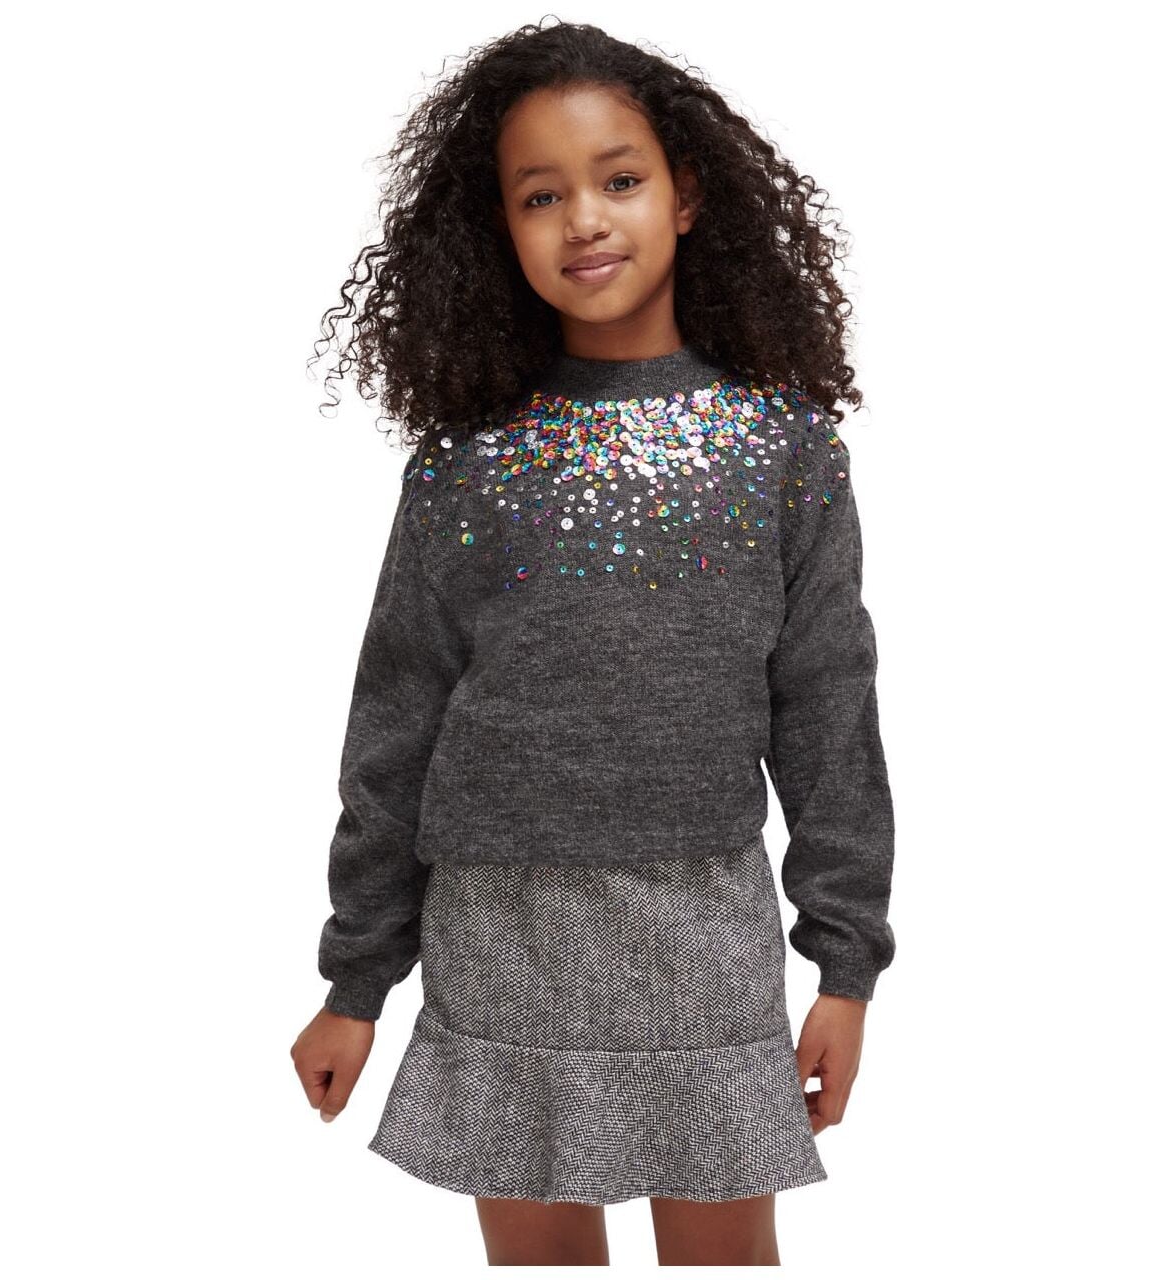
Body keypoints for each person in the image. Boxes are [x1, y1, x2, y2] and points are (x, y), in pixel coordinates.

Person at [289, 18, 896, 1267]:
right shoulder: (464, 462)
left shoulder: (782, 447)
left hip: (699, 924)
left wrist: (844, 966)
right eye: (539, 194)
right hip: (500, 927)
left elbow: (827, 707)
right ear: (497, 230)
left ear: (686, 196)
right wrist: (356, 980)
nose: (582, 219)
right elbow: (395, 722)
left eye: (618, 179)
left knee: (722, 1252)